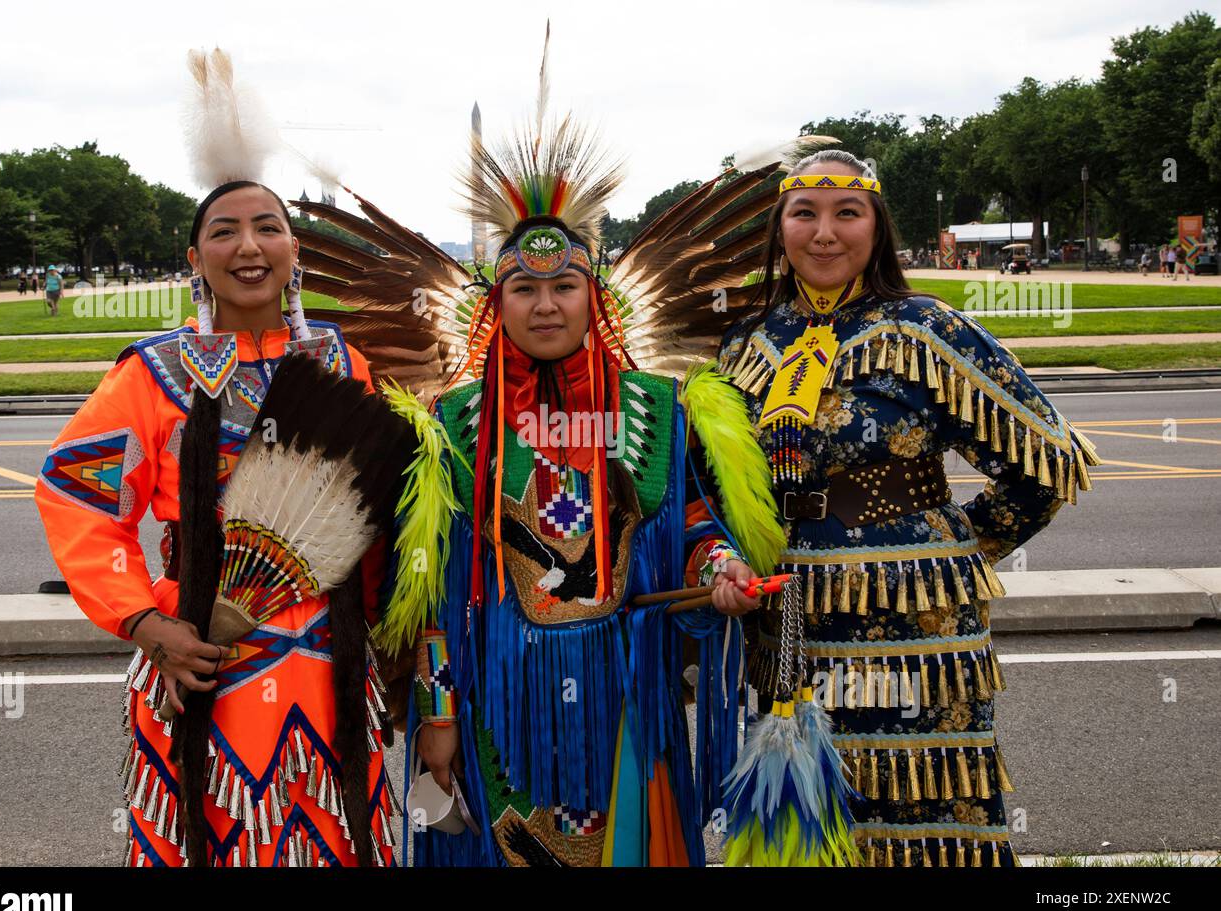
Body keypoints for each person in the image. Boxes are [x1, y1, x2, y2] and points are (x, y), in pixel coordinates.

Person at [290, 36, 809, 866]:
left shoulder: (658, 409)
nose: (544, 304)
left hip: (625, 691)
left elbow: (700, 522)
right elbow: (426, 591)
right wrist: (436, 713)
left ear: (591, 297)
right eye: (523, 289)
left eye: (563, 286)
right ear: (497, 305)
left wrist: (720, 570)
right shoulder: (453, 423)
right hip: (496, 699)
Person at [35, 49, 400, 868]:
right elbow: (76, 493)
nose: (248, 244)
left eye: (268, 226)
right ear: (195, 258)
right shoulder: (153, 376)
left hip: (332, 671)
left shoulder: (340, 364)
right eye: (223, 230)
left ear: (295, 252)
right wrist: (147, 621)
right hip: (204, 667)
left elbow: (376, 515)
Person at [718, 149, 1102, 867]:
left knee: (924, 812)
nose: (824, 233)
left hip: (914, 621)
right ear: (780, 230)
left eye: (847, 213)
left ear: (878, 226)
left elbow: (1047, 461)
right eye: (804, 213)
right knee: (806, 820)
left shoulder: (930, 330)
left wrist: (953, 550)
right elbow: (712, 482)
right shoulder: (746, 344)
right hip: (789, 622)